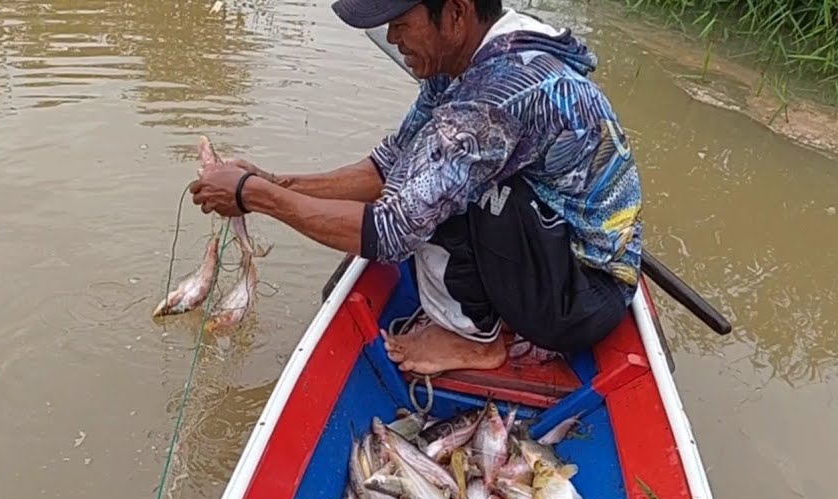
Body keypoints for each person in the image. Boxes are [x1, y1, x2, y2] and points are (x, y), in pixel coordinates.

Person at [188, 0, 644, 376]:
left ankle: (473, 342)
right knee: (425, 175)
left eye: (402, 24)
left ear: (457, 14)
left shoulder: (494, 99)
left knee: (433, 195)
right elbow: (387, 168)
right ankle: (485, 310)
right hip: (549, 245)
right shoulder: (461, 63)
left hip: (582, 299)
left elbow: (391, 231)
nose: (392, 39)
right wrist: (273, 182)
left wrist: (253, 196)